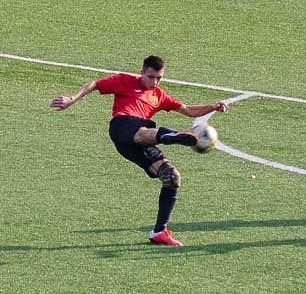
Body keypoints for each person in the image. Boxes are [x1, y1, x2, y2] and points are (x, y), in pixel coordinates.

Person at [50, 55, 228, 246]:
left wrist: (212, 107)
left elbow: (188, 110)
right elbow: (94, 84)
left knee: (172, 176)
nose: (155, 81)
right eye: (151, 77)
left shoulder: (159, 95)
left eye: (159, 77)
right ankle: (170, 136)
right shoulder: (124, 81)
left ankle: (159, 231)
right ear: (142, 72)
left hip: (137, 144)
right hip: (122, 126)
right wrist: (72, 99)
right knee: (143, 131)